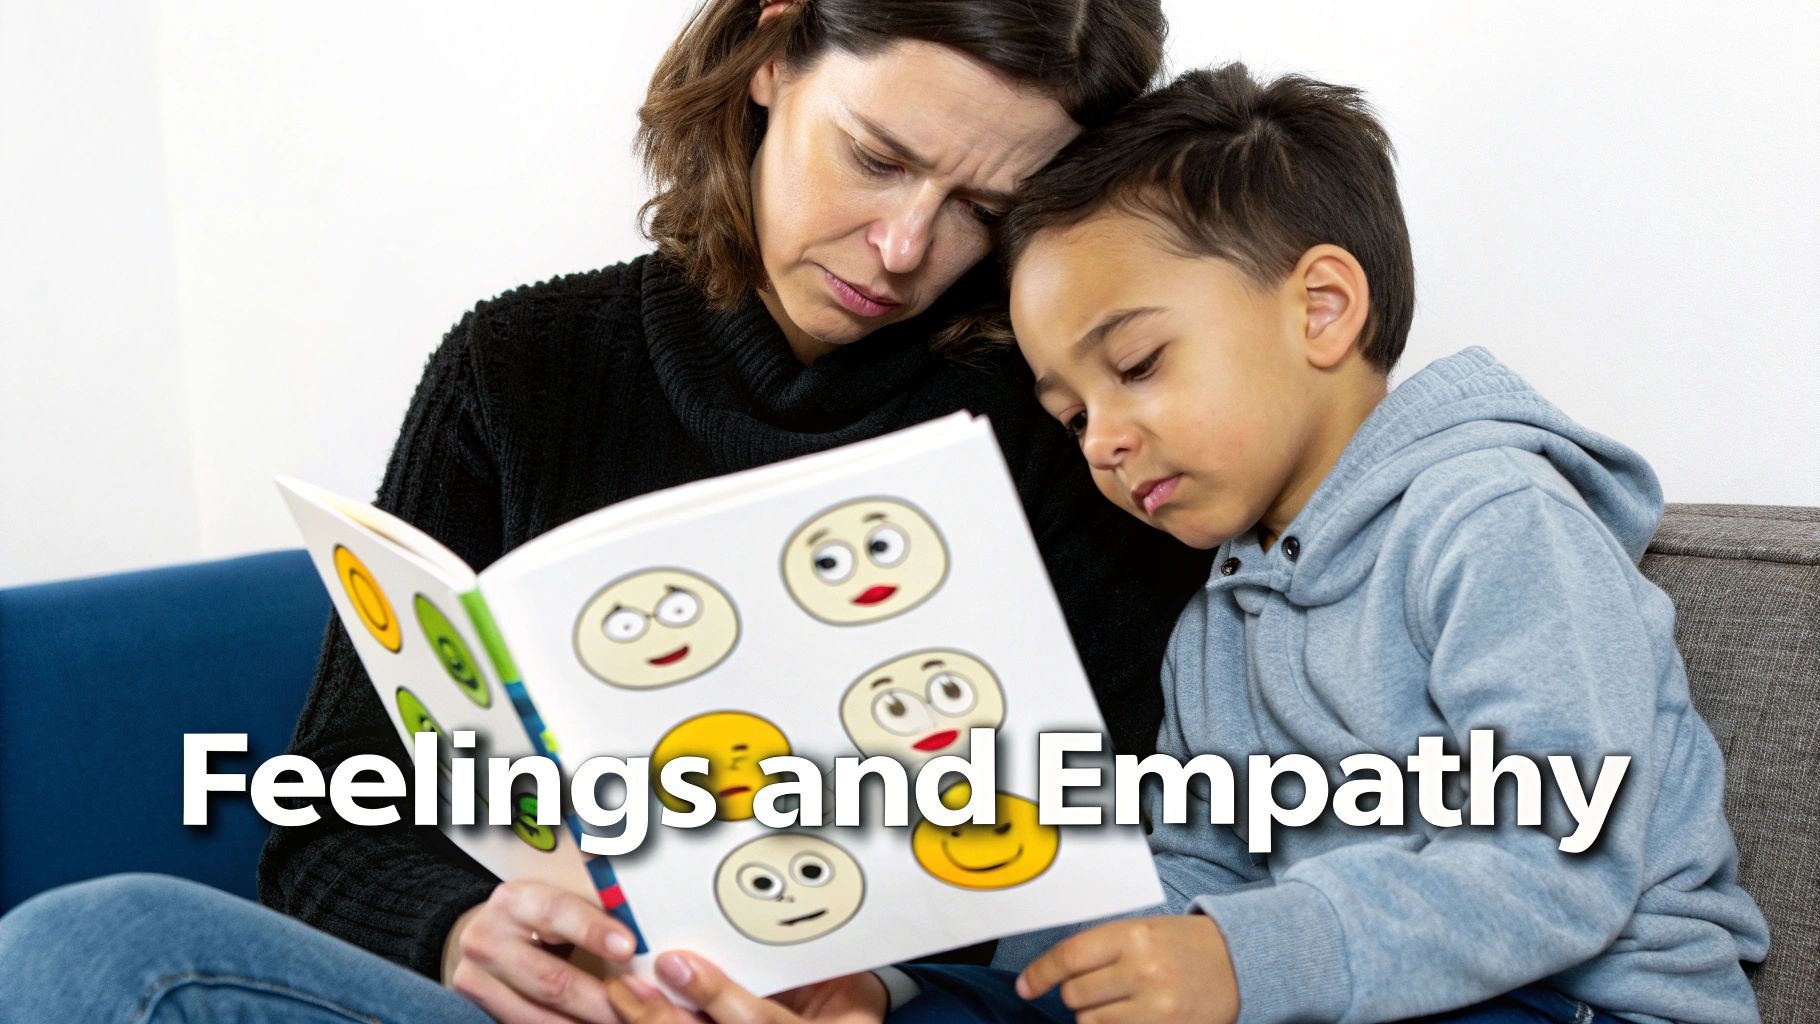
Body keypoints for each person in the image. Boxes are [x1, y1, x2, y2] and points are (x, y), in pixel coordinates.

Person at [0, 3, 1213, 1024]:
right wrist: (461, 933)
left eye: (982, 209)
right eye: (877, 157)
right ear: (772, 54)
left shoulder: (1079, 430)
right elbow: (323, 829)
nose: (903, 248)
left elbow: (1132, 877)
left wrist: (883, 988)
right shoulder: (517, 368)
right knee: (98, 950)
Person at [851, 63, 1770, 1024]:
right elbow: (1195, 861)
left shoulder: (1494, 520)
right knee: (959, 1004)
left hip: (1574, 1001)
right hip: (1348, 996)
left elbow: (1556, 858)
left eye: (1136, 365)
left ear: (1321, 309)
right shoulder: (1219, 611)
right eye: (1073, 416)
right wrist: (1030, 982)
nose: (1105, 440)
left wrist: (1246, 960)